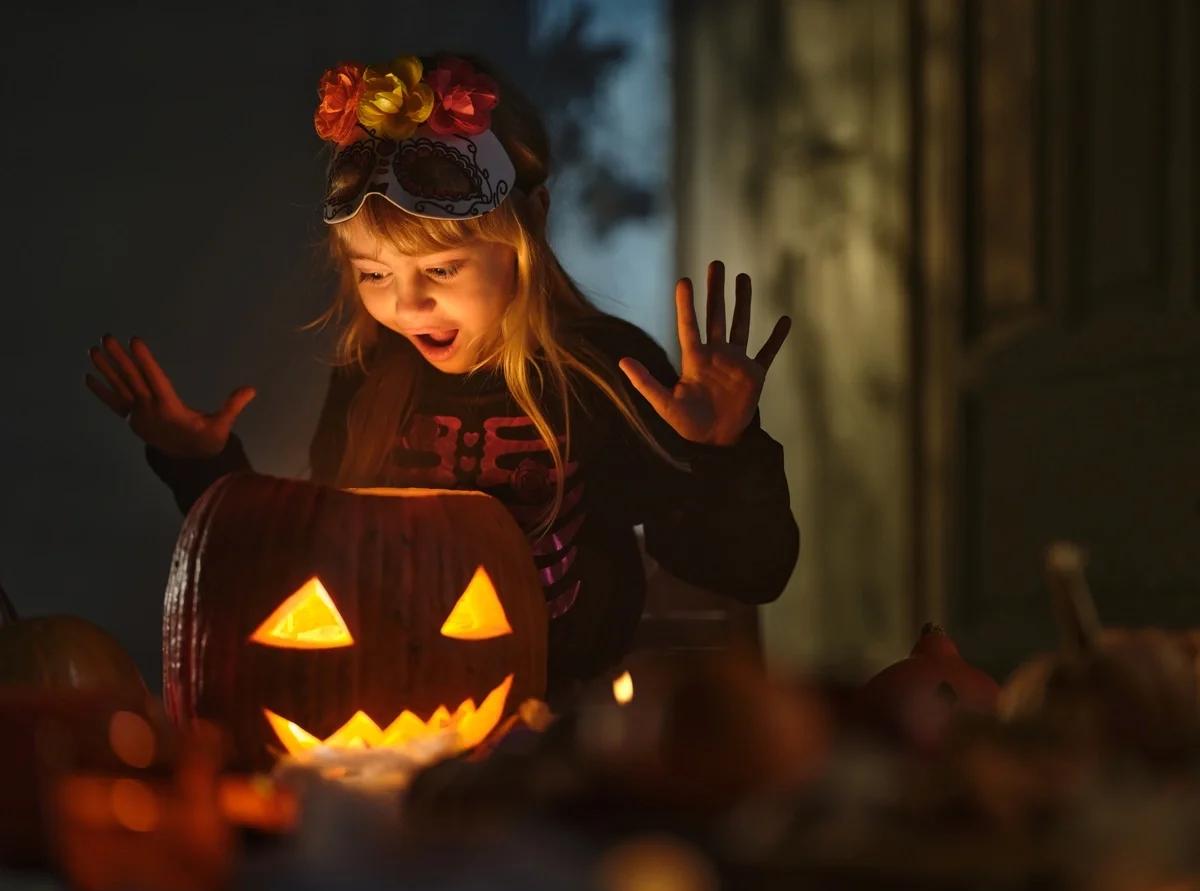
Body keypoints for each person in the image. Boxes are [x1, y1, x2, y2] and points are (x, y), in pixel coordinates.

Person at [85, 52, 800, 702]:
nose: (407, 303)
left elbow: (748, 572)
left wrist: (723, 452)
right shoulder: (371, 374)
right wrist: (199, 464)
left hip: (562, 715)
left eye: (441, 269)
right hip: (388, 698)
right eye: (373, 274)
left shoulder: (604, 373)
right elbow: (315, 564)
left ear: (526, 234)